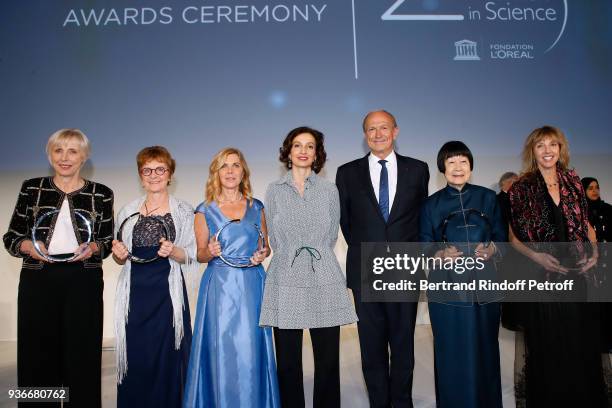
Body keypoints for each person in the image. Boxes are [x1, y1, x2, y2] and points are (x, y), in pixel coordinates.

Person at [3, 129, 114, 407]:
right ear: (49, 154)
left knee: (83, 354)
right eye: (58, 150)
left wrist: (93, 248)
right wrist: (31, 247)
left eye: (72, 151)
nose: (65, 158)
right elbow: (11, 238)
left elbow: (107, 241)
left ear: (84, 157)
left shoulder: (101, 193)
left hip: (84, 279)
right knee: (35, 354)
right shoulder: (31, 188)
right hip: (38, 279)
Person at [508, 126, 607, 407]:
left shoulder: (574, 182)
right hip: (543, 274)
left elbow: (586, 225)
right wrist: (536, 256)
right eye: (541, 145)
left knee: (580, 342)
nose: (548, 150)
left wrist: (596, 251)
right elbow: (513, 238)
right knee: (549, 344)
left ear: (561, 149)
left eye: (554, 144)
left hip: (578, 274)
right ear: (533, 151)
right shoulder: (522, 187)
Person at [335, 110, 429, 407]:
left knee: (403, 345)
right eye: (371, 129)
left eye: (383, 128)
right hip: (367, 269)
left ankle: (402, 402)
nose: (378, 134)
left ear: (396, 131)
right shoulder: (347, 172)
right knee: (371, 346)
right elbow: (346, 223)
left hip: (405, 268)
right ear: (365, 135)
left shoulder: (418, 169)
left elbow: (422, 218)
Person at [260, 127, 357, 408]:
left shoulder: (329, 189)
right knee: (288, 362)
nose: (303, 151)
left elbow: (331, 236)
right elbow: (274, 239)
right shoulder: (274, 190)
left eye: (310, 146)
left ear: (317, 154)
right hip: (285, 274)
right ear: (288, 152)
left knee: (327, 361)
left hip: (323, 273)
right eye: (297, 145)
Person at [184, 148, 279, 408]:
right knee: (221, 350)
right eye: (224, 166)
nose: (230, 171)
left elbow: (265, 245)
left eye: (235, 165)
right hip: (220, 286)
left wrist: (262, 254)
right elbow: (201, 254)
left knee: (251, 350)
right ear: (216, 172)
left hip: (252, 285)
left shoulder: (256, 206)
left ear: (243, 171)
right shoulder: (204, 210)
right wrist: (209, 251)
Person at [419, 141, 505, 408]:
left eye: (463, 162)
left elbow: (502, 238)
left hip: (485, 285)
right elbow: (422, 244)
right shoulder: (430, 205)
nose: (458, 168)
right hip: (447, 288)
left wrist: (492, 249)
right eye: (451, 162)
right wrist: (439, 254)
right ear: (442, 168)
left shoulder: (488, 198)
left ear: (471, 167)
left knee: (485, 346)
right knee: (451, 349)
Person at [112, 146, 197, 407]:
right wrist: (119, 253)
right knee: (137, 354)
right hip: (136, 293)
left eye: (160, 169)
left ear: (169, 174)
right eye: (147, 170)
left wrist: (174, 250)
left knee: (169, 354)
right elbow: (119, 257)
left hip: (168, 292)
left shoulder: (184, 210)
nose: (153, 175)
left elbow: (192, 253)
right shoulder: (127, 211)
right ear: (140, 175)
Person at [582, 177, 612, 243]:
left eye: (597, 187)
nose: (595, 191)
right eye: (590, 188)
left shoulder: (608, 209)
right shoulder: (580, 211)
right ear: (583, 190)